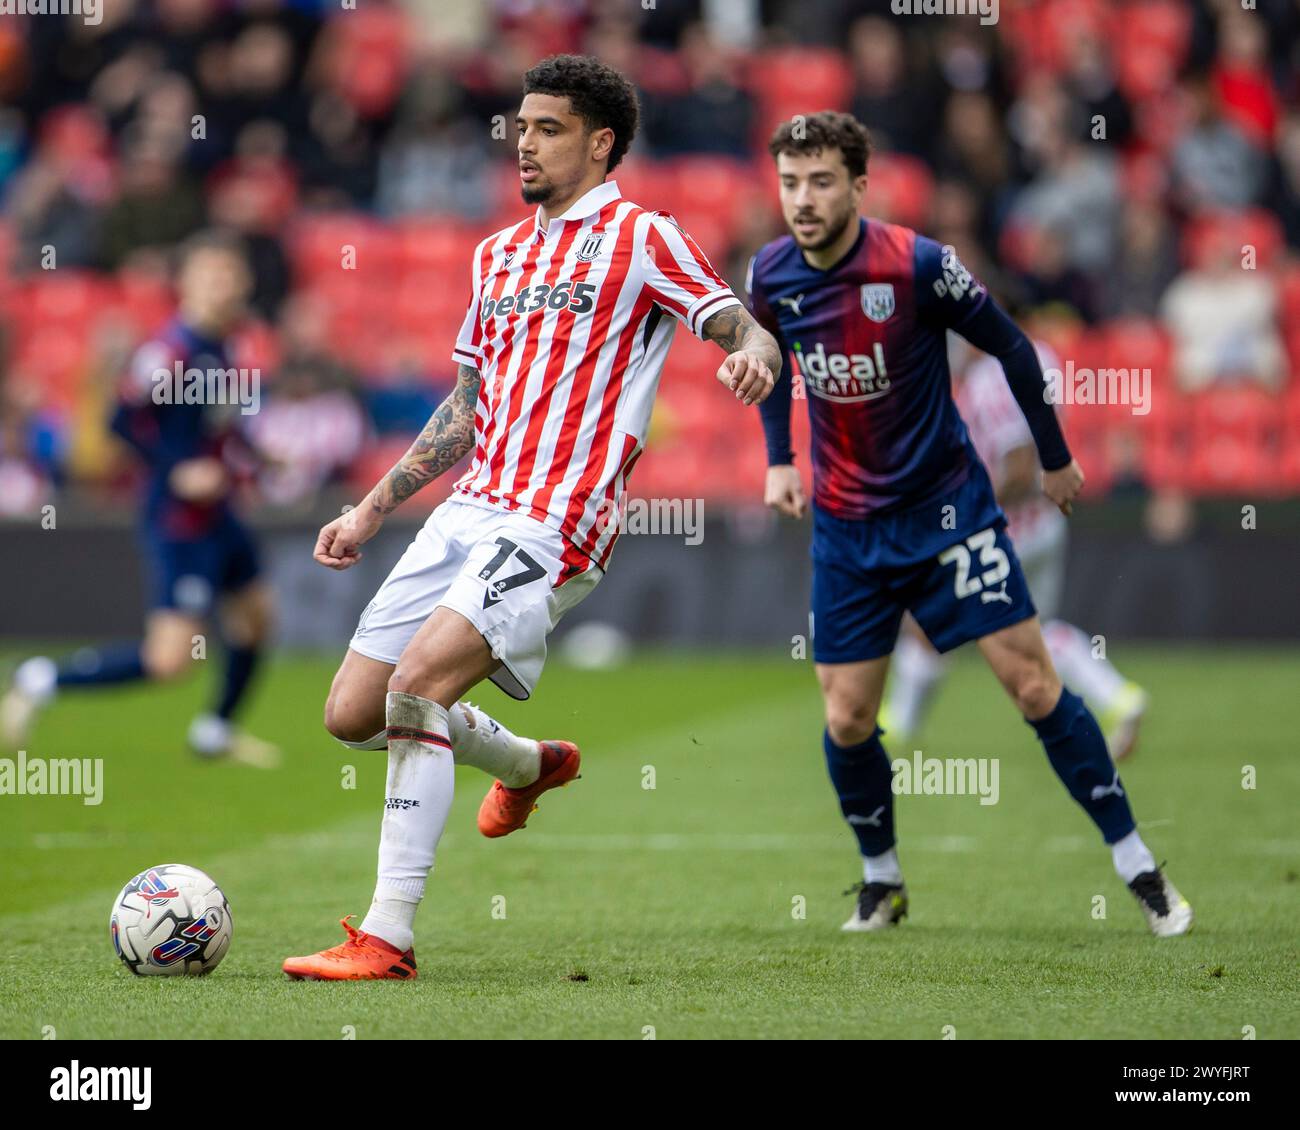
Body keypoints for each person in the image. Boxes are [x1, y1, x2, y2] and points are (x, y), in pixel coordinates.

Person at [281, 55, 780, 980]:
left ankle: (387, 936)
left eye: (546, 128)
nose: (524, 142)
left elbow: (735, 320)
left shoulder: (642, 236)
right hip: (470, 509)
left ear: (600, 142)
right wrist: (371, 506)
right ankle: (524, 764)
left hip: (557, 516)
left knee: (419, 686)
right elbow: (467, 407)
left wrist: (756, 351)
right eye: (519, 125)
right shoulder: (497, 254)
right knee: (352, 714)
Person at [748, 112, 1190, 937]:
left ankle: (1139, 865)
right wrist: (780, 458)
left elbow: (1016, 348)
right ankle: (882, 880)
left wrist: (1053, 459)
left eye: (821, 181)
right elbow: (770, 361)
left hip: (949, 514)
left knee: (1031, 683)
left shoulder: (915, 264)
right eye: (790, 182)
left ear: (858, 185)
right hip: (847, 528)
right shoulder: (771, 274)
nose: (802, 200)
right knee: (848, 717)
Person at [1, 230, 278, 767]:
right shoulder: (168, 350)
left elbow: (213, 423)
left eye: (231, 273)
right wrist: (177, 471)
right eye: (212, 274)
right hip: (181, 520)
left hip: (219, 512)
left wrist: (257, 456)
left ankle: (215, 732)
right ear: (187, 284)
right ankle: (39, 676)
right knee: (169, 660)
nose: (225, 284)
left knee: (256, 617)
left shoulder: (223, 344)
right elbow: (120, 422)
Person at [881, 336, 1149, 761]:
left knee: (924, 616)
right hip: (1044, 521)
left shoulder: (990, 380)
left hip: (1006, 529)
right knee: (1037, 630)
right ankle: (1119, 698)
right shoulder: (1040, 353)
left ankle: (898, 726)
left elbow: (1020, 468)